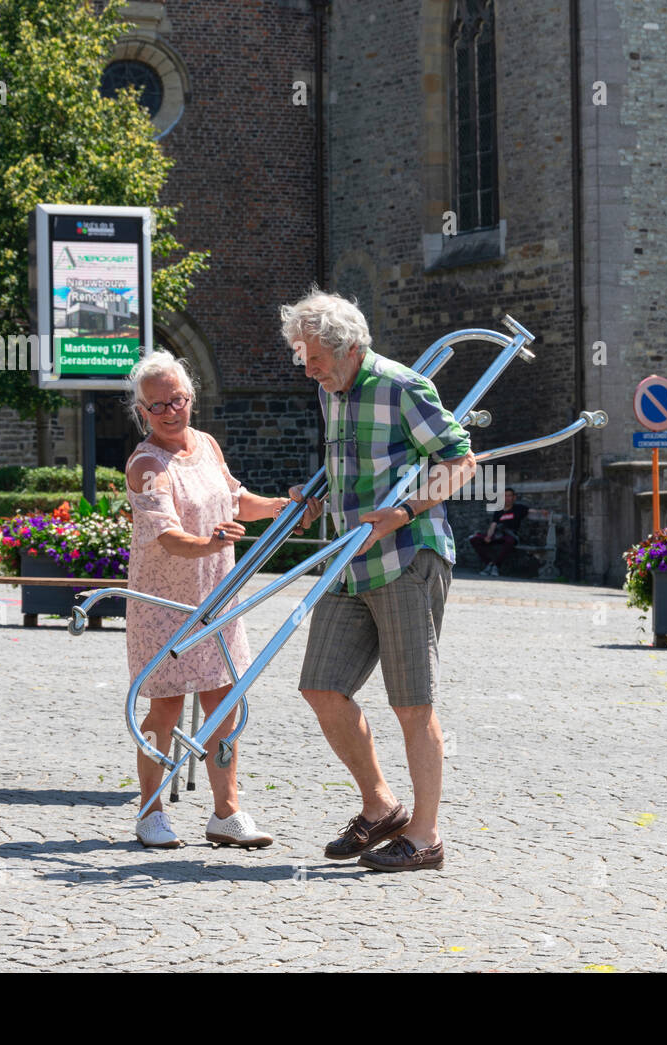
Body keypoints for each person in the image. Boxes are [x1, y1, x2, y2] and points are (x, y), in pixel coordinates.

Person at [283, 289, 477, 872]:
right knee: (321, 686)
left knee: (411, 703)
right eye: (302, 357)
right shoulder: (330, 391)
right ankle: (380, 805)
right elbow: (348, 467)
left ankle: (425, 837)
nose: (307, 368)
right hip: (347, 559)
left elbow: (461, 462)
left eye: (314, 357)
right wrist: (313, 497)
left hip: (406, 556)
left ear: (350, 347)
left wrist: (406, 511)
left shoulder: (402, 386)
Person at [124, 349, 293, 849]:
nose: (171, 411)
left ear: (191, 397)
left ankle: (227, 813)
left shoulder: (207, 446)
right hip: (166, 606)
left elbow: (237, 500)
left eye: (178, 399)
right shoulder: (147, 464)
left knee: (225, 706)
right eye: (158, 405)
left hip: (218, 600)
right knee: (165, 711)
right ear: (142, 411)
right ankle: (150, 812)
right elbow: (168, 537)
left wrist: (286, 507)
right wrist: (211, 542)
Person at [469, 487, 528, 575]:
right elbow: (493, 525)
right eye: (505, 496)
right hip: (497, 535)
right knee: (474, 539)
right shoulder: (499, 511)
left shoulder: (519, 508)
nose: (507, 498)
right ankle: (489, 564)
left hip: (510, 535)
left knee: (510, 541)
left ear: (514, 497)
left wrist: (543, 512)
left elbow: (532, 511)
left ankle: (496, 566)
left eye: (509, 496)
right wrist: (488, 536)